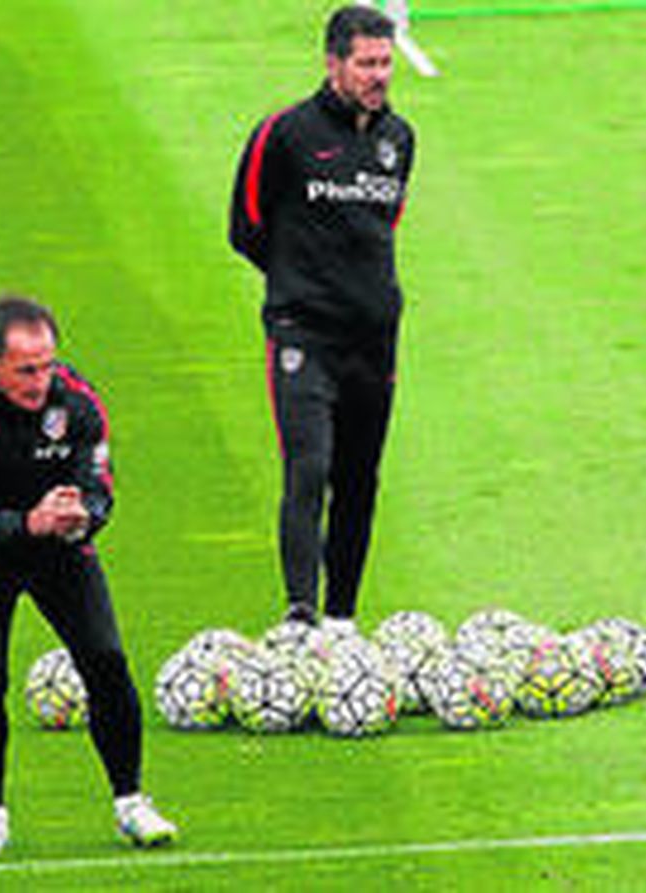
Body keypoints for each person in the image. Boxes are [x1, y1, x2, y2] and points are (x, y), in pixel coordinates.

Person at [0, 296, 177, 857]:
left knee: (106, 660)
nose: (43, 380)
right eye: (26, 369)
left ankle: (131, 803)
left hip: (57, 547)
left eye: (47, 364)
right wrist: (29, 522)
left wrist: (84, 515)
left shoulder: (77, 400)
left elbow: (101, 484)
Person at [229, 5, 415, 634]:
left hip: (375, 341)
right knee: (308, 468)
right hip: (303, 335)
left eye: (385, 62)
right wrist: (300, 284)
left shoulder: (399, 141)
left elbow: (380, 229)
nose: (378, 75)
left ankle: (341, 619)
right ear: (333, 62)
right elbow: (246, 227)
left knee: (359, 479)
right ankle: (300, 614)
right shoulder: (284, 135)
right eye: (366, 63)